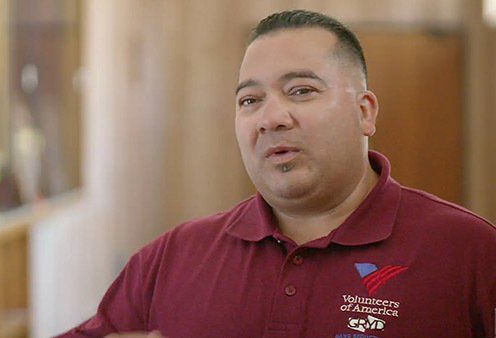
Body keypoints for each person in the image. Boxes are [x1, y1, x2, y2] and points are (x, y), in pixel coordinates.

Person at [57, 10, 495, 338]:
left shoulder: (471, 254)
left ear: (364, 112)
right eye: (250, 100)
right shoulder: (173, 258)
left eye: (301, 91)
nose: (271, 117)